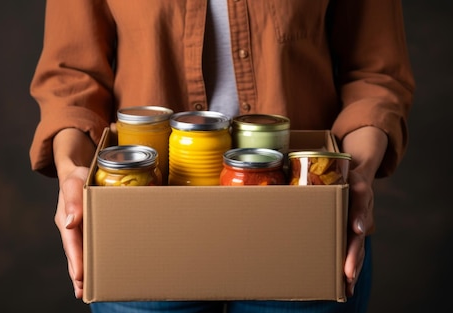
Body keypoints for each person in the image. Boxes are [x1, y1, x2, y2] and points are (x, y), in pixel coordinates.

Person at [28, 0, 415, 312]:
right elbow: (72, 79)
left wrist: (357, 174)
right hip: (144, 226)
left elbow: (374, 75)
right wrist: (72, 171)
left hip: (301, 225)